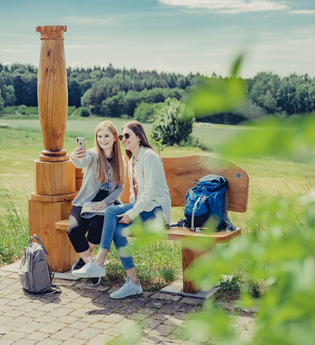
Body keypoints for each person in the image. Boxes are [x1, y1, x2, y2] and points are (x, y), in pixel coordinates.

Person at [73, 121, 171, 299]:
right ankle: (133, 283)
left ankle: (99, 263)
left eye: (127, 136)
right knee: (118, 230)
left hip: (156, 211)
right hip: (144, 209)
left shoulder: (149, 156)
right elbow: (135, 195)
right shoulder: (133, 159)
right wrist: (131, 211)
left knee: (111, 211)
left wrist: (131, 213)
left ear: (139, 137)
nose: (123, 139)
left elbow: (148, 193)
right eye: (122, 136)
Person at [67, 120, 125, 285]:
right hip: (84, 202)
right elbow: (80, 162)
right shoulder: (92, 154)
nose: (102, 139)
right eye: (99, 136)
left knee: (97, 226)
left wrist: (106, 202)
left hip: (105, 205)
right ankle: (90, 264)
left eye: (106, 135)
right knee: (73, 230)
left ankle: (84, 262)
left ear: (114, 137)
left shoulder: (120, 160)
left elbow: (120, 187)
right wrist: (74, 156)